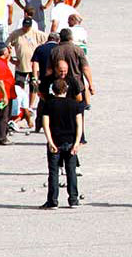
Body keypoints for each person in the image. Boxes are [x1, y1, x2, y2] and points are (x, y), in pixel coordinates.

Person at [38, 79, 83, 209]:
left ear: (53, 90)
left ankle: (53, 201)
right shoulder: (75, 105)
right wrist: (77, 143)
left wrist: (50, 141)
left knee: (53, 173)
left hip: (55, 142)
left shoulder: (48, 105)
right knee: (71, 172)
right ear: (66, 89)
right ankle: (73, 199)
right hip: (70, 142)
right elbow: (80, 125)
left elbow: (45, 124)